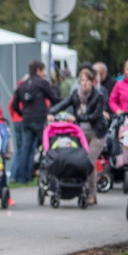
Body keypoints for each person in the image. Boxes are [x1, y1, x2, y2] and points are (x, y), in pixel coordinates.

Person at [48, 68, 107, 205]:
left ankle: (92, 193)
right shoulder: (75, 94)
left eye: (87, 81)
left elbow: (95, 116)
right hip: (80, 133)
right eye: (82, 81)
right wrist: (51, 112)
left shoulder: (98, 96)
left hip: (96, 133)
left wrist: (77, 117)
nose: (85, 83)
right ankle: (82, 190)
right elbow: (63, 104)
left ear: (93, 82)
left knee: (88, 162)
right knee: (78, 161)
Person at [10, 60, 60, 184]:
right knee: (46, 147)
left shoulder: (22, 84)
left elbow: (14, 104)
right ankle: (47, 175)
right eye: (43, 70)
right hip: (40, 119)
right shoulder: (41, 83)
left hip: (26, 120)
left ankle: (23, 178)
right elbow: (54, 98)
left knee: (25, 150)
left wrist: (23, 114)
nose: (44, 73)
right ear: (38, 70)